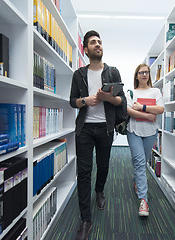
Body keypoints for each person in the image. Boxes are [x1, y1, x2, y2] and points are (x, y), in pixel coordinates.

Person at [69, 30, 126, 240]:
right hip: (84, 129)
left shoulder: (113, 72)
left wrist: (107, 98)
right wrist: (86, 101)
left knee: (103, 165)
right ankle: (86, 220)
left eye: (100, 42)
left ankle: (99, 190)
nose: (97, 45)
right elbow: (72, 101)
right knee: (83, 172)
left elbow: (122, 102)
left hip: (105, 128)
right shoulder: (79, 75)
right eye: (93, 42)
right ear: (86, 49)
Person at [126, 63, 164, 217]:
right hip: (133, 131)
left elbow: (160, 109)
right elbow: (128, 110)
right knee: (140, 161)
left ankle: (137, 180)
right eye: (141, 72)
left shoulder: (155, 91)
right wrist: (148, 114)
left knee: (143, 161)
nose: (144, 75)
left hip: (150, 132)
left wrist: (141, 107)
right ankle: (144, 200)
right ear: (136, 75)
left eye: (147, 72)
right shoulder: (130, 92)